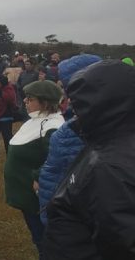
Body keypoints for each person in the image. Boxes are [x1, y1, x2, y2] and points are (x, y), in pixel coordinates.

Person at [43, 60, 135, 258]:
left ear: (105, 105)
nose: (73, 112)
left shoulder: (109, 166)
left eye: (80, 104)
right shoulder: (109, 139)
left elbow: (122, 244)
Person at [36, 54, 101, 226]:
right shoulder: (69, 126)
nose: (67, 96)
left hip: (79, 223)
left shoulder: (78, 130)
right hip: (59, 215)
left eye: (69, 88)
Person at [3, 80, 64, 259]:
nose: (25, 102)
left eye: (30, 99)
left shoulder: (52, 126)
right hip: (26, 193)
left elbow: (56, 158)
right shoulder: (37, 119)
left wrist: (38, 176)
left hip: (36, 196)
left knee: (43, 237)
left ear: (45, 102)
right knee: (37, 234)